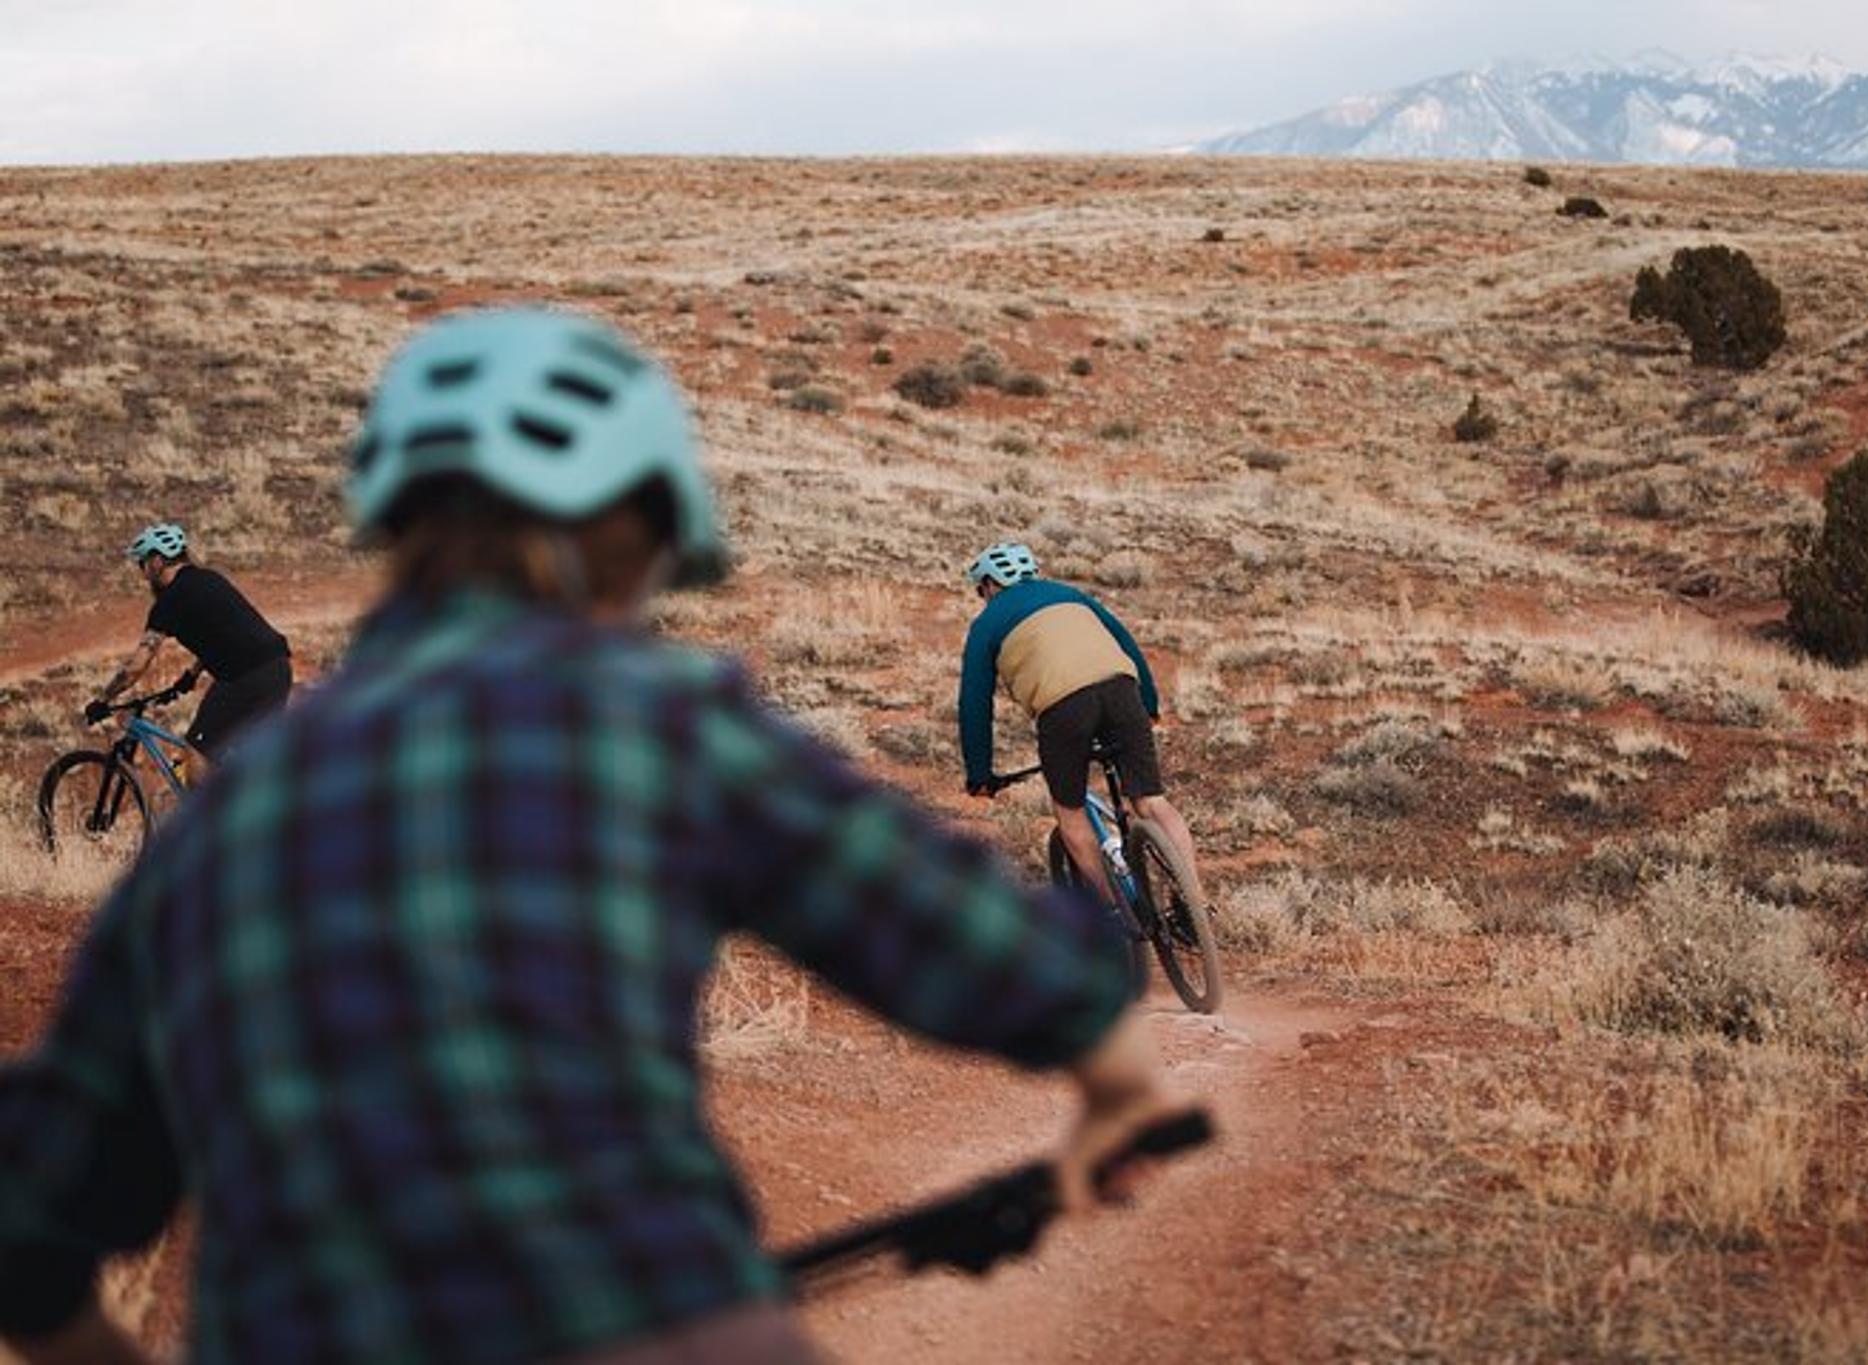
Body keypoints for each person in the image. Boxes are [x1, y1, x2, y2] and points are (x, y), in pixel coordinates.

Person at [0, 309, 1173, 1365]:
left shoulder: (220, 824)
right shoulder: (650, 724)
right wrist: (1110, 1079)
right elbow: (951, 931)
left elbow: (39, 1217)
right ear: (642, 532)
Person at [956, 541, 1202, 914]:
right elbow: (1126, 644)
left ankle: (1114, 910)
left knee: (1070, 812)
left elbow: (974, 702)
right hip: (1122, 691)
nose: (982, 597)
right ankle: (1194, 902)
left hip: (1063, 707)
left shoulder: (987, 622)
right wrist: (1148, 706)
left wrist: (979, 773)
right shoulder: (1070, 595)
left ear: (989, 584)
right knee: (1152, 801)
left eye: (980, 590)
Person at [84, 522, 292, 769]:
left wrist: (103, 700)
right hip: (278, 669)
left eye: (143, 564)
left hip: (244, 679)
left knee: (197, 756)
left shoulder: (169, 601)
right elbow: (224, 634)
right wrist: (191, 675)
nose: (142, 573)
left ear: (158, 561)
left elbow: (135, 667)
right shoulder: (209, 579)